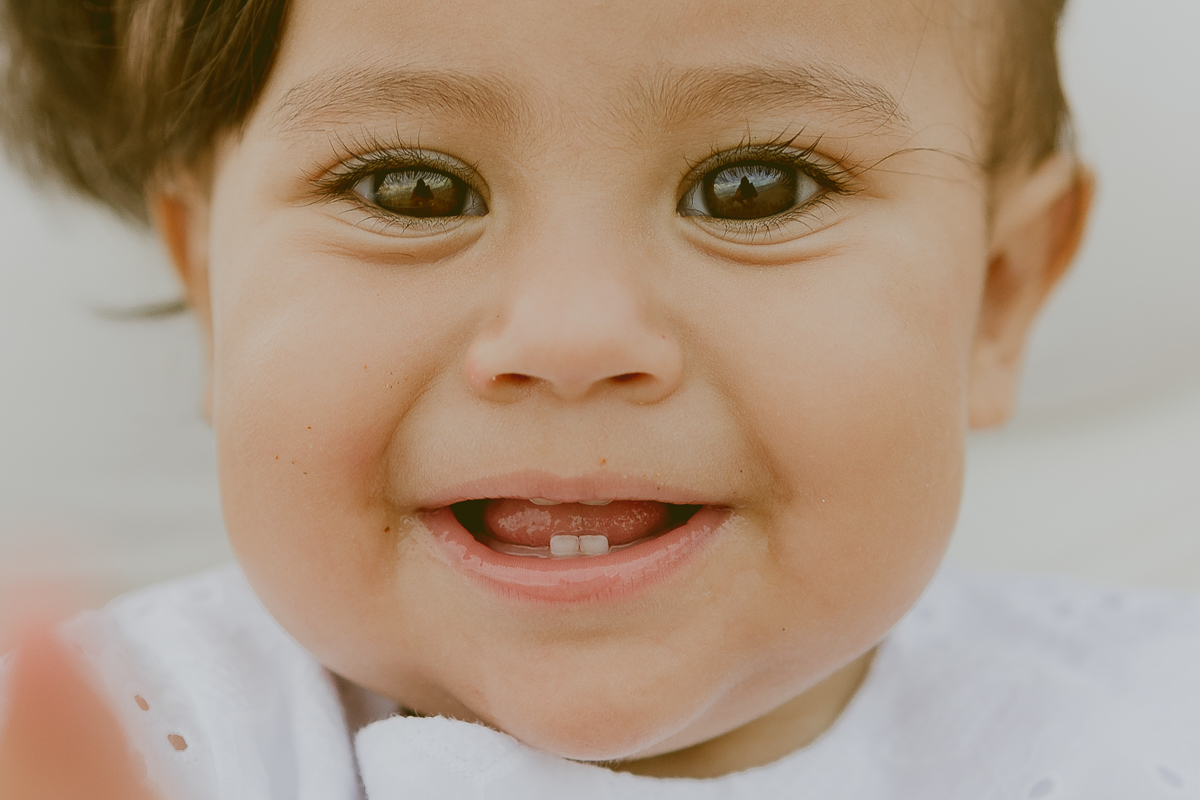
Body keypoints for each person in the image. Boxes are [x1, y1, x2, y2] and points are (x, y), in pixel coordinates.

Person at [1, 0, 1197, 796]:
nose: (573, 337)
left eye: (751, 187)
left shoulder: (1143, 731)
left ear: (997, 293)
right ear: (212, 283)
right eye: (414, 188)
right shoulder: (137, 739)